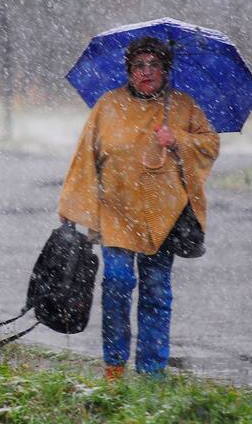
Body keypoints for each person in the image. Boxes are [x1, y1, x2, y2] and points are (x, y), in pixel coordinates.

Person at [58, 36, 220, 381]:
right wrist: (73, 206)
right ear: (129, 70)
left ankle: (152, 371)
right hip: (116, 212)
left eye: (154, 65)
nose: (146, 72)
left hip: (165, 215)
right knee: (117, 283)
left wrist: (178, 138)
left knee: (156, 291)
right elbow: (84, 158)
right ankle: (114, 366)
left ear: (166, 69)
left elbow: (209, 145)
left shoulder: (183, 106)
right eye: (138, 65)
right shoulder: (107, 105)